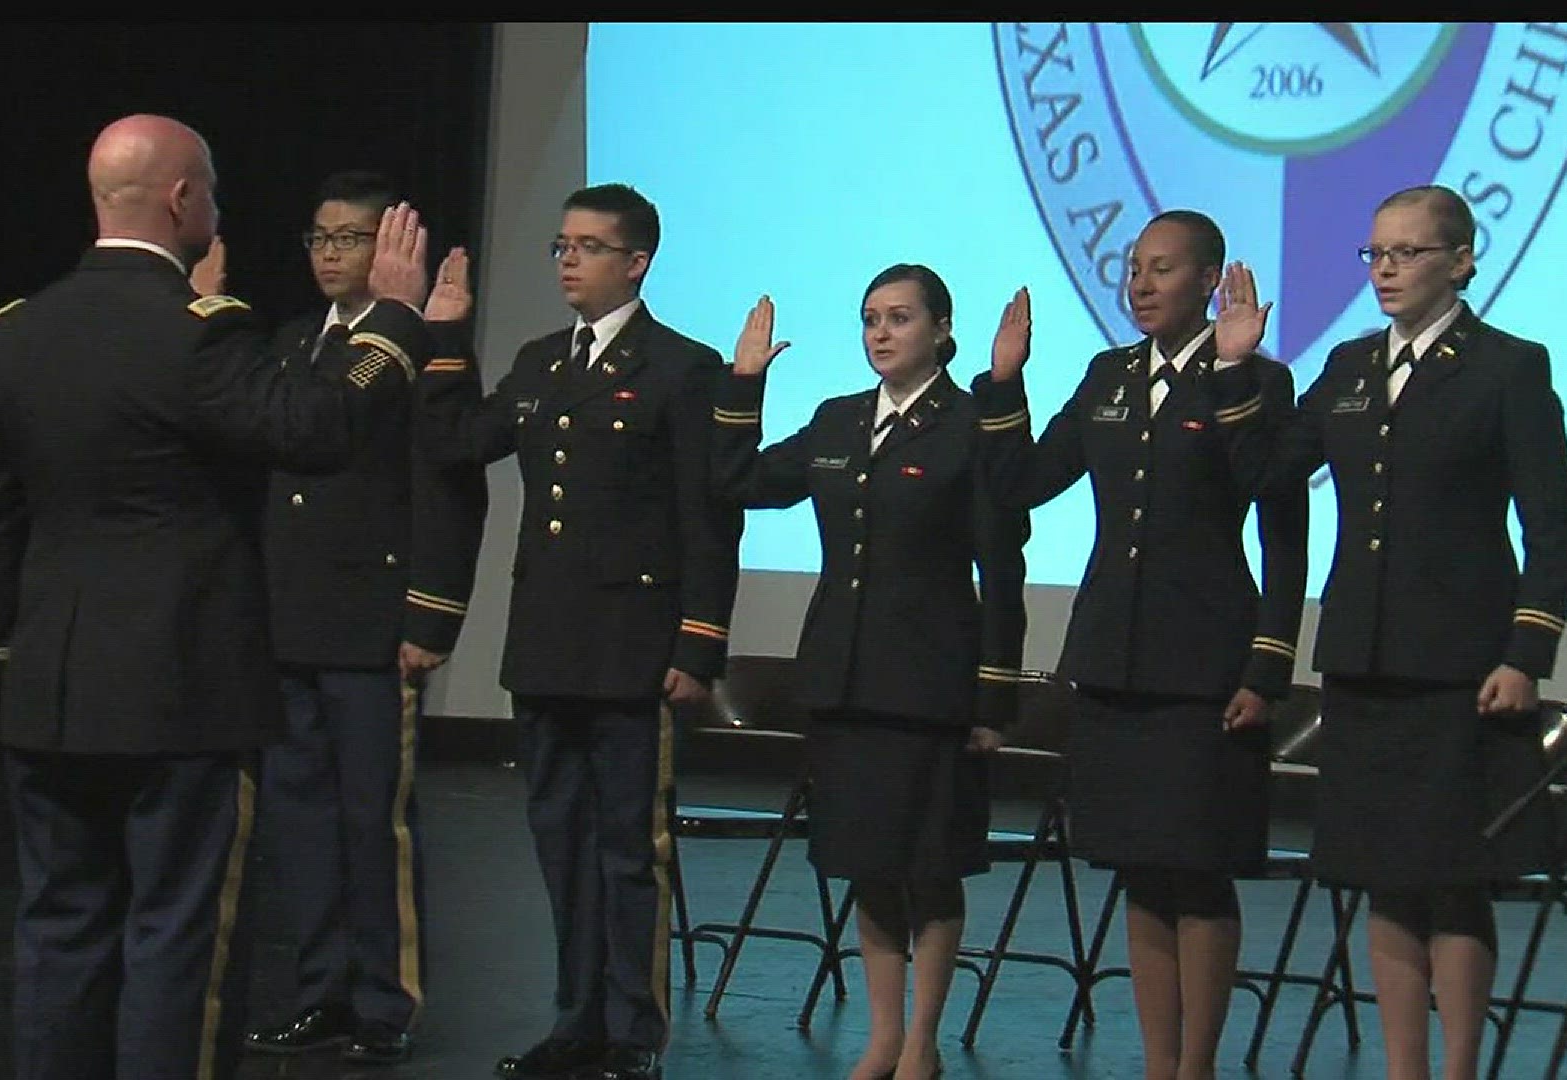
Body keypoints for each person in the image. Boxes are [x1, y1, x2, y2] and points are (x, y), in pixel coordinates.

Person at [0, 114, 431, 1080]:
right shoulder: (199, 335)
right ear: (182, 199)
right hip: (179, 694)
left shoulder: (19, 330)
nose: (217, 208)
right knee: (178, 934)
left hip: (49, 686)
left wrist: (18, 644)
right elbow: (319, 425)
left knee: (59, 927)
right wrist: (392, 316)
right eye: (210, 190)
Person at [1219, 184, 1567, 1080]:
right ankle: (1403, 1067)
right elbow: (1267, 476)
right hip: (1365, 660)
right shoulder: (1347, 367)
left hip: (1460, 665)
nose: (1384, 270)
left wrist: (1526, 651)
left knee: (1452, 880)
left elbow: (1552, 525)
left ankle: (1458, 1069)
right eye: (1375, 254)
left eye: (1406, 253)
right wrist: (1236, 370)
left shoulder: (1506, 366)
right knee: (1380, 874)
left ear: (1460, 261)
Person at [415, 183, 743, 1080]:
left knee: (628, 851)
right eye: (561, 245)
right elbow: (456, 444)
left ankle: (632, 1032)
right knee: (560, 843)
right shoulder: (537, 363)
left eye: (587, 247)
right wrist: (443, 335)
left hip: (633, 645)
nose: (567, 260)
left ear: (635, 261)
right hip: (550, 643)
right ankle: (576, 1021)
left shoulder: (683, 367)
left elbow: (706, 517)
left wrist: (698, 642)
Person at [973, 211, 1307, 1080]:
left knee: (1198, 870)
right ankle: (1160, 1063)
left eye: (1163, 269)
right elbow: (1021, 485)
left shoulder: (1259, 382)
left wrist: (1268, 663)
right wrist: (1006, 384)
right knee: (1139, 870)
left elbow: (1281, 525)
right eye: (1134, 268)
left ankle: (1197, 1065)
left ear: (1209, 280)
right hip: (1114, 658)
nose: (1142, 284)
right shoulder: (1108, 376)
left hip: (1207, 663)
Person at [715, 268, 1029, 1080]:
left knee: (929, 863)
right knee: (866, 862)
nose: (881, 334)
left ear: (941, 329)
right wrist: (746, 383)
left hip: (930, 687)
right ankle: (883, 1035)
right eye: (869, 320)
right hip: (844, 679)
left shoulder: (969, 425)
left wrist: (995, 693)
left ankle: (922, 1041)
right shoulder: (839, 420)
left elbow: (1002, 567)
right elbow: (741, 483)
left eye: (898, 318)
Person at [243, 170, 488, 1064]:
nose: (332, 254)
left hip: (376, 622)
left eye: (350, 238)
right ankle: (321, 991)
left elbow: (448, 486)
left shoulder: (417, 348)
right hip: (291, 619)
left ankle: (386, 1000)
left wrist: (430, 616)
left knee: (372, 820)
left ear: (393, 247)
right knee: (300, 819)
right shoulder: (290, 344)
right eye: (320, 237)